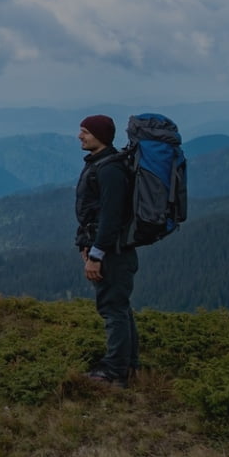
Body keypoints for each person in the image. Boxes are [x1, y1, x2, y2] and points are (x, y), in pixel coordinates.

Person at [74, 114, 138, 387]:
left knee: (112, 309)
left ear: (100, 136)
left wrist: (96, 255)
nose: (80, 136)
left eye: (86, 131)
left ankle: (114, 372)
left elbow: (111, 218)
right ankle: (127, 364)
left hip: (112, 252)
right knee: (119, 308)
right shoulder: (102, 164)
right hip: (108, 248)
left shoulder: (109, 170)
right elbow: (94, 214)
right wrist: (84, 245)